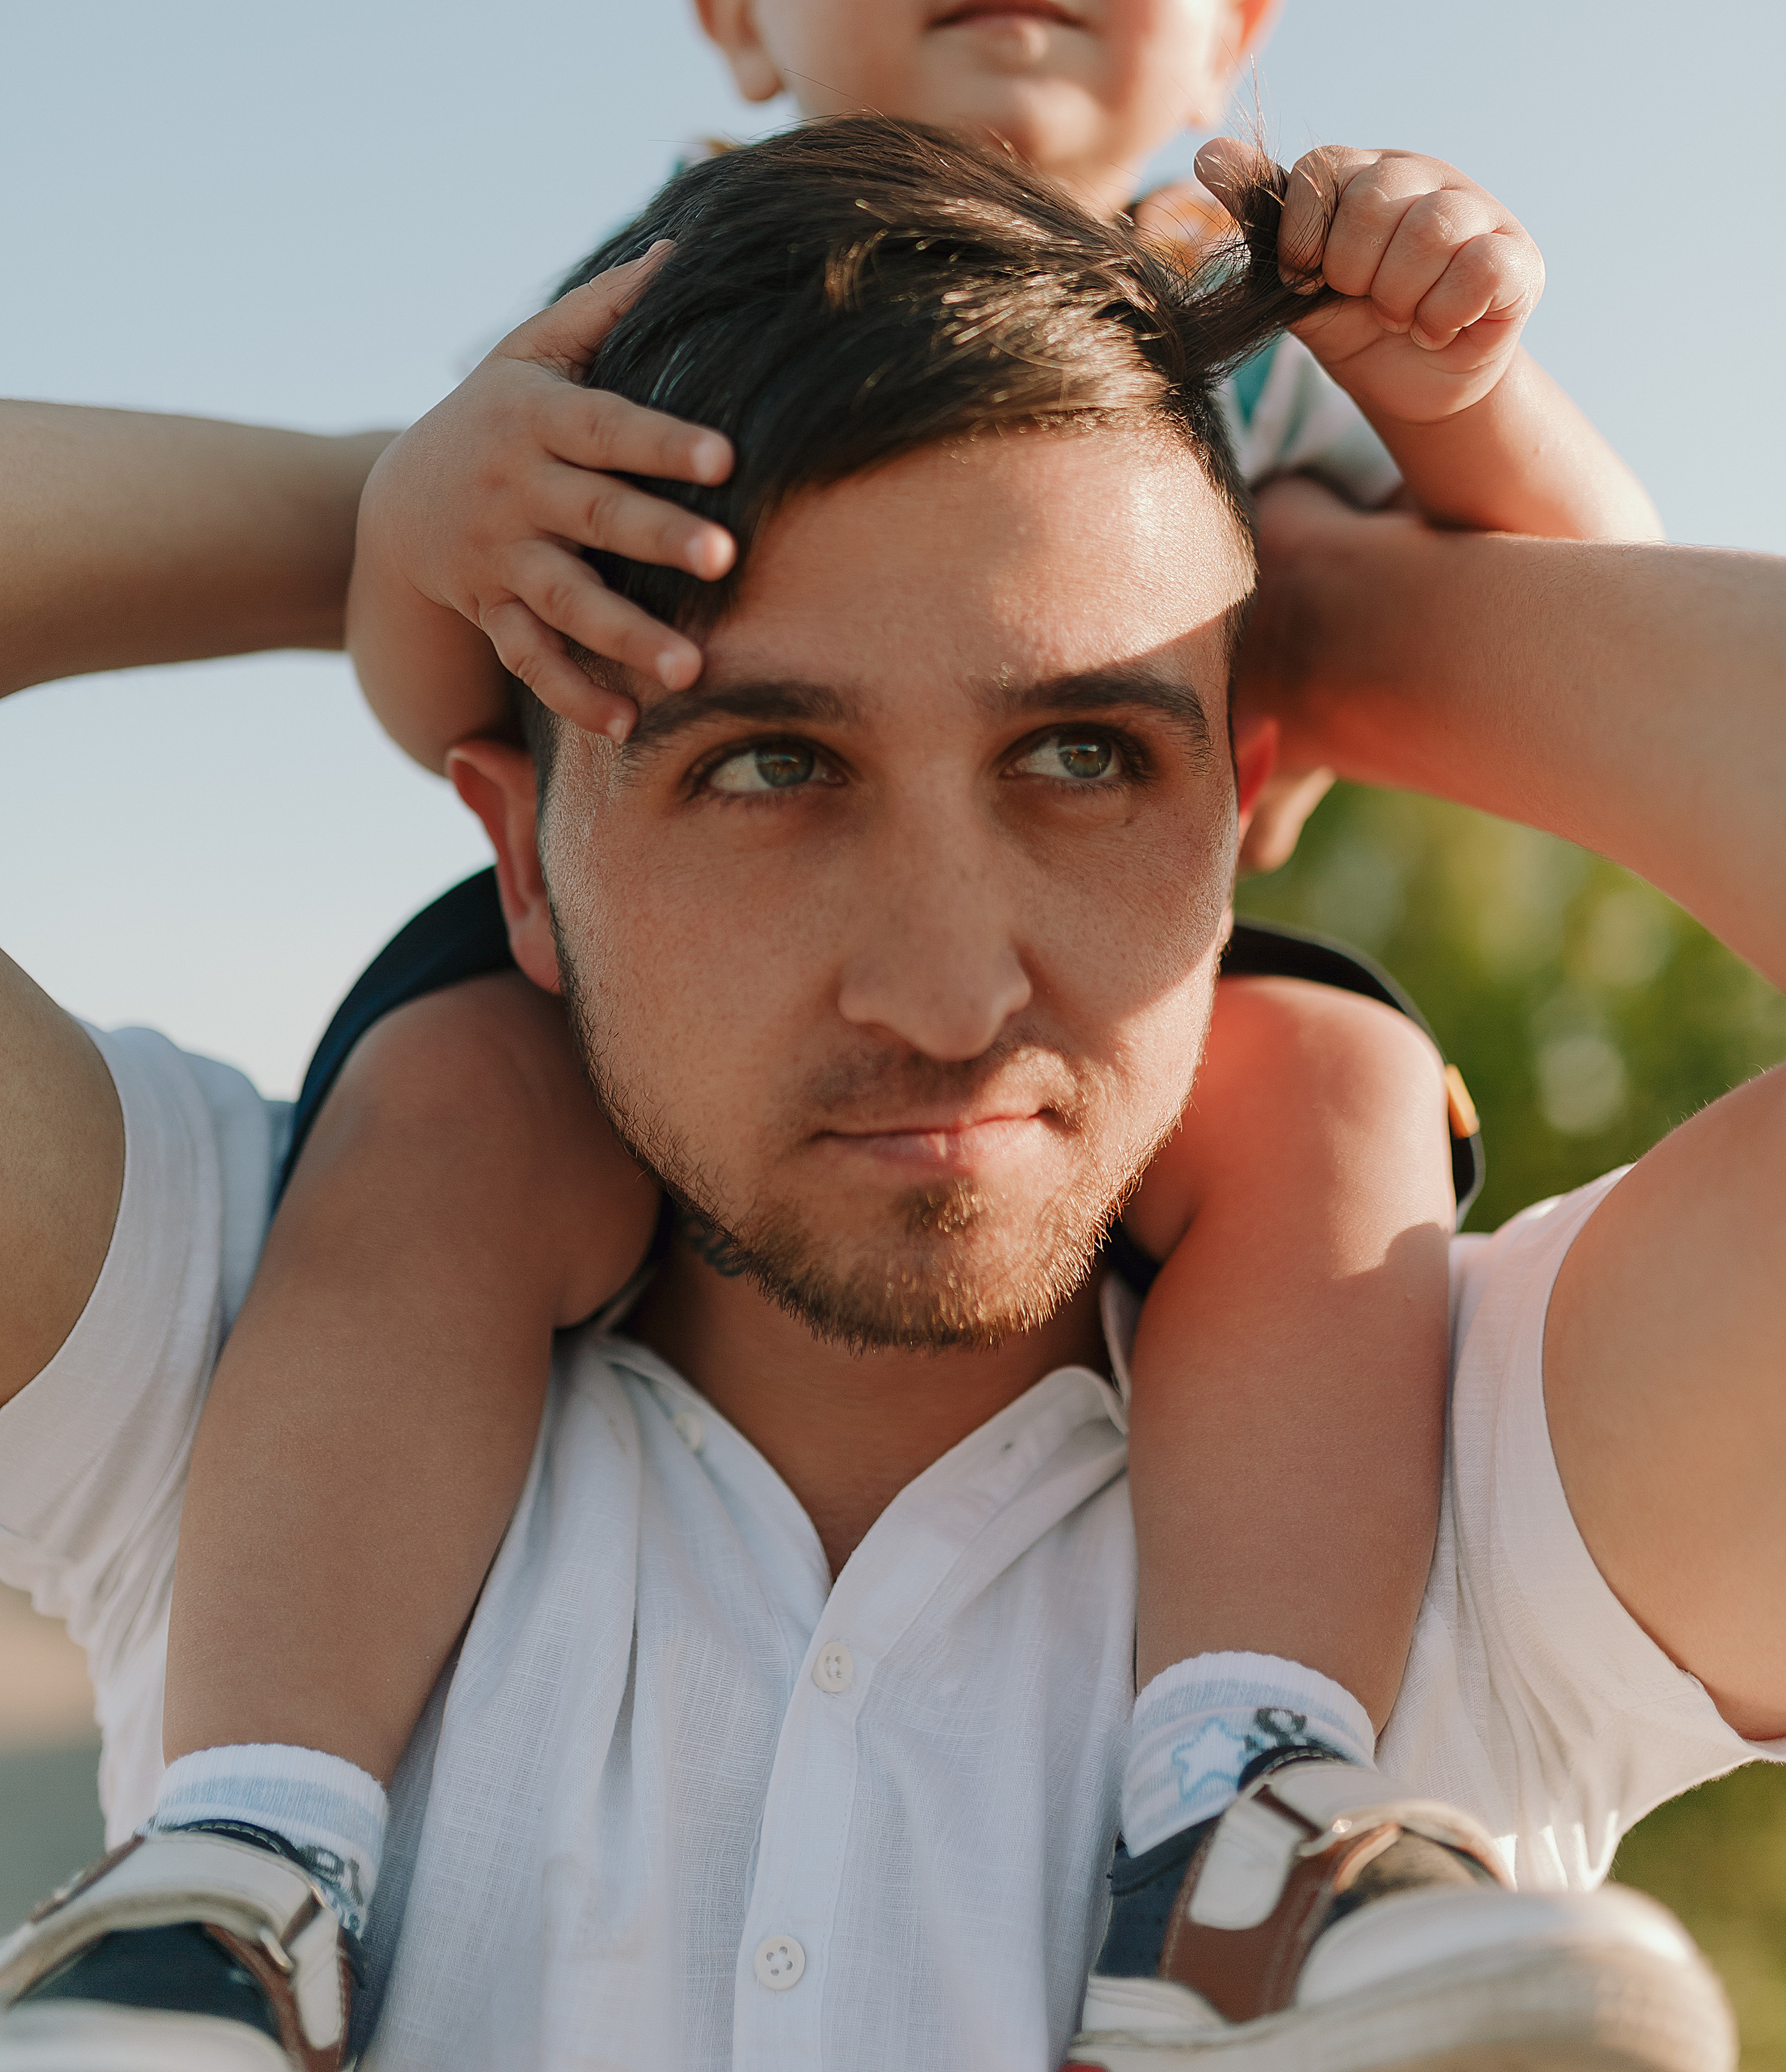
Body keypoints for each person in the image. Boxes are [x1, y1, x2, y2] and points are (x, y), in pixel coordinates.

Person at [90, 0, 1667, 2035]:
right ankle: (241, 1855)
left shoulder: (1258, 296)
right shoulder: (686, 283)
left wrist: (1429, 421)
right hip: (609, 983)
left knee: (1340, 1085)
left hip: (1148, 983)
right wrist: (413, 511)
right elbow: (444, 691)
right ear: (735, 9)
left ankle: (1246, 1805)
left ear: (1239, 15)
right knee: (436, 1123)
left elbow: (1633, 631)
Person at [0, 123, 1776, 2072]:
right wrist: (387, 506)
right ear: (522, 865)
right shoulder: (233, 1360)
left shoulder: (1477, 1476)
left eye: (1091, 752)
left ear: (1235, 804)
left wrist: (1326, 610)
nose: (950, 992)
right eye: (768, 767)